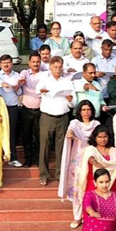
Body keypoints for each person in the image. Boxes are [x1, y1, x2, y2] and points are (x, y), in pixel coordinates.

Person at [59, 101, 100, 228]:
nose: (86, 112)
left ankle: (90, 215)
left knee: (91, 187)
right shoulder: (75, 123)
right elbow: (70, 131)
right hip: (77, 161)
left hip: (92, 159)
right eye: (83, 110)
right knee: (77, 188)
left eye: (88, 109)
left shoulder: (96, 124)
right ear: (79, 111)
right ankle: (77, 217)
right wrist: (70, 134)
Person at [36, 57, 74, 186]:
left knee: (62, 147)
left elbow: (73, 102)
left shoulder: (67, 82)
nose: (57, 70)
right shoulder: (45, 80)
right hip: (47, 116)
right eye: (55, 67)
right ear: (50, 68)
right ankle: (44, 174)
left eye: (59, 67)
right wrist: (42, 91)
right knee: (45, 146)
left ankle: (60, 174)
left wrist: (70, 99)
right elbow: (37, 90)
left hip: (62, 117)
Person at [0, 55, 22, 166]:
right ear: (0, 64)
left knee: (11, 132)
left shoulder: (17, 75)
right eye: (3, 63)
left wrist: (17, 88)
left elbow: (20, 93)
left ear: (12, 63)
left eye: (8, 62)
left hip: (12, 107)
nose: (6, 65)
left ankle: (12, 157)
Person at [17, 54, 43, 167]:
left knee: (38, 136)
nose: (35, 64)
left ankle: (37, 159)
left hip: (40, 109)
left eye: (38, 61)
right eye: (33, 62)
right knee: (26, 135)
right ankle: (28, 159)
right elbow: (20, 80)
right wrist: (21, 82)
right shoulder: (25, 73)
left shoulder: (45, 75)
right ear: (29, 63)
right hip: (26, 109)